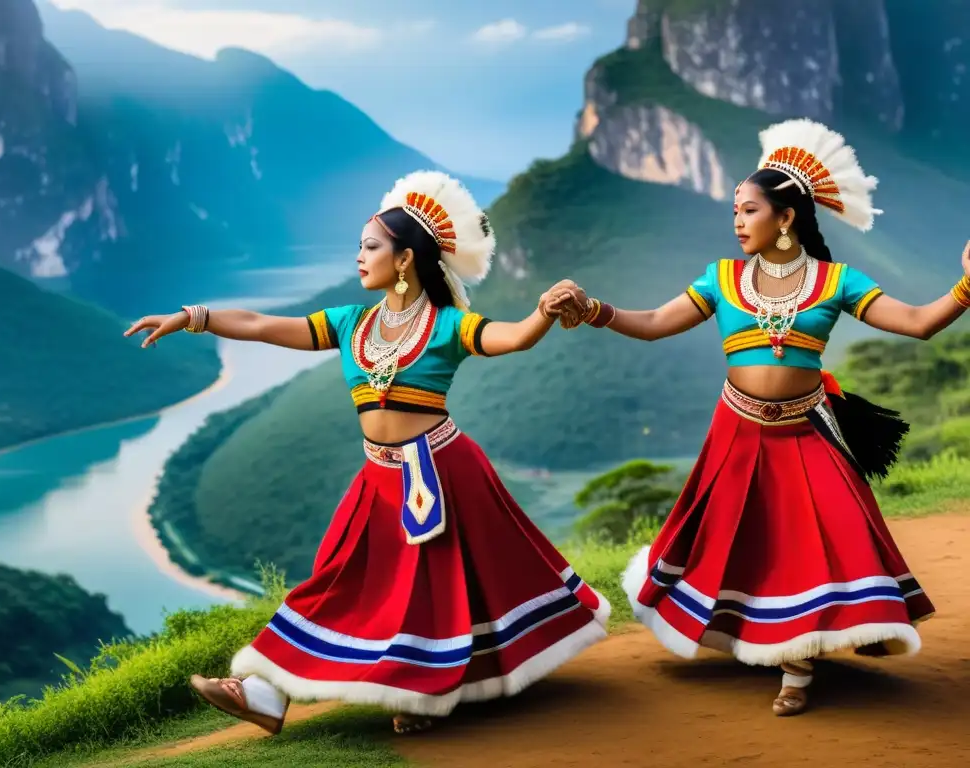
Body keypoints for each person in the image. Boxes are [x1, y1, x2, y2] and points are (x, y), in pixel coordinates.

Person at [124, 170, 610, 736]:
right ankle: (265, 693)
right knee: (339, 578)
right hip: (379, 478)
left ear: (404, 260)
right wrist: (191, 318)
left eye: (370, 246)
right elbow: (259, 323)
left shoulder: (448, 325)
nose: (358, 256)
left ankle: (420, 694)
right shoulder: (350, 323)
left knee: (440, 590)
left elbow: (515, 337)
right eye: (359, 246)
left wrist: (547, 309)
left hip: (443, 473)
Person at [551, 118, 970, 717]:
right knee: (743, 543)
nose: (738, 221)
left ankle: (797, 664)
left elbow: (918, 323)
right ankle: (763, 642)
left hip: (808, 432)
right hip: (738, 433)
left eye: (748, 210)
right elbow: (650, 324)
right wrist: (593, 309)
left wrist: (967, 285)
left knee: (814, 542)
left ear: (787, 217)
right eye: (735, 212)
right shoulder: (721, 279)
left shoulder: (836, 281)